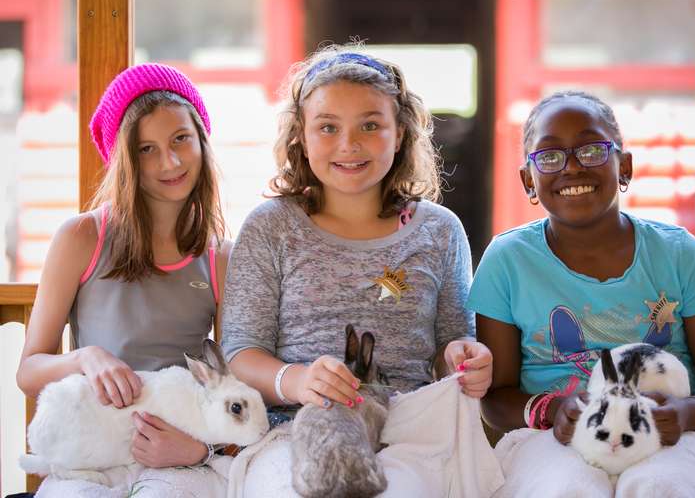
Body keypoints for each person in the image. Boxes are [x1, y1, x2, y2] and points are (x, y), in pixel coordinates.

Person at [219, 45, 496, 496]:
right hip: (290, 433)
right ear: (300, 137)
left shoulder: (440, 232)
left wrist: (464, 358)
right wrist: (300, 380)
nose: (349, 144)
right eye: (328, 127)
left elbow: (451, 344)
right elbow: (241, 353)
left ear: (401, 133)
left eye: (370, 125)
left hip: (408, 433)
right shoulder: (271, 228)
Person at [469, 91, 695, 497]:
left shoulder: (677, 253)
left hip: (668, 437)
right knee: (566, 489)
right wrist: (552, 411)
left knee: (663, 486)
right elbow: (495, 399)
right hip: (554, 439)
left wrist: (687, 412)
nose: (571, 168)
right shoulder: (509, 261)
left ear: (624, 166)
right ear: (528, 181)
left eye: (591, 150)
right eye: (550, 156)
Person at [16, 63, 231, 498]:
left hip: (176, 461)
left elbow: (232, 384)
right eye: (146, 149)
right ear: (123, 161)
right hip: (89, 454)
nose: (169, 162)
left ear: (201, 140)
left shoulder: (220, 257)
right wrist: (85, 359)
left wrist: (198, 450)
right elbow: (29, 371)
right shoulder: (81, 237)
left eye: (180, 140)